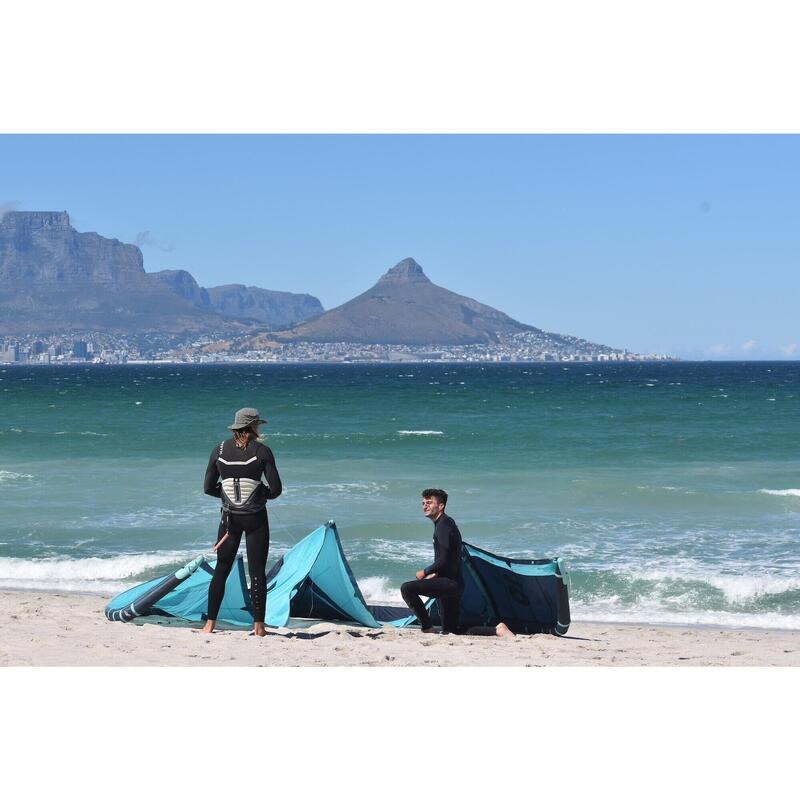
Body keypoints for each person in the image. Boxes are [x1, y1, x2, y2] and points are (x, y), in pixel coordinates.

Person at [201, 407, 282, 637]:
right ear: (253, 427)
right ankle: (259, 627)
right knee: (257, 572)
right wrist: (257, 495)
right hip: (255, 519)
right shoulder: (263, 451)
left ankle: (209, 625)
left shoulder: (218, 450)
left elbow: (208, 488)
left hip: (229, 520)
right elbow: (276, 490)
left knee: (222, 569)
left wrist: (228, 498)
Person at [401, 488, 516, 638]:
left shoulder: (443, 525)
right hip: (453, 583)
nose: (425, 506)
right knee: (452, 630)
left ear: (441, 506)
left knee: (407, 589)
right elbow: (449, 557)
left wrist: (425, 571)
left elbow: (444, 559)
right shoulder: (446, 523)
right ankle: (497, 630)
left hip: (448, 584)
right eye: (423, 503)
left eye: (429, 502)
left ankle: (427, 627)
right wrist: (437, 573)